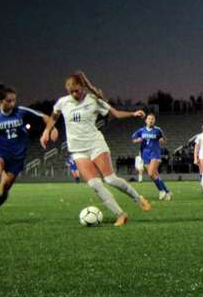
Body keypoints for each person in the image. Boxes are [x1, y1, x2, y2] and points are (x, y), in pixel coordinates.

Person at [40, 71, 151, 227]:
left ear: (83, 88)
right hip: (78, 150)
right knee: (94, 184)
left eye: (77, 90)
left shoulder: (94, 100)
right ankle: (120, 214)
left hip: (95, 144)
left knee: (110, 179)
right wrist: (46, 131)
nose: (74, 94)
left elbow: (116, 114)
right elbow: (54, 116)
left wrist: (133, 113)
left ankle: (137, 198)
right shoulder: (63, 102)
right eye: (71, 92)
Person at [0, 85, 55, 227]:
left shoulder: (21, 111)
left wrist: (52, 128)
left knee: (5, 187)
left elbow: (45, 117)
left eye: (14, 100)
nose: (12, 103)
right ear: (0, 101)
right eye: (9, 101)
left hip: (17, 156)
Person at [131, 114, 172, 200]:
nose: (150, 120)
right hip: (145, 154)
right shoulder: (141, 130)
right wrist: (137, 140)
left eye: (152, 119)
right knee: (155, 175)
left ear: (154, 121)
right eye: (149, 119)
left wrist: (162, 141)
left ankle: (161, 191)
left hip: (155, 154)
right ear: (146, 120)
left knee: (150, 173)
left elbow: (165, 140)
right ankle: (167, 191)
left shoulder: (158, 130)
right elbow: (133, 139)